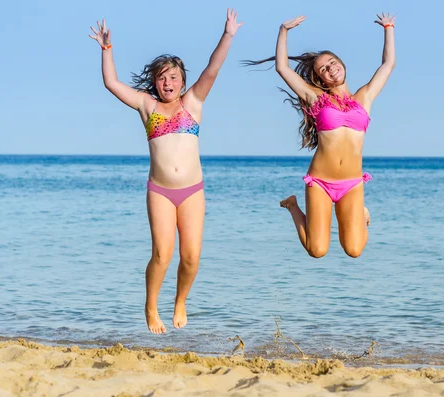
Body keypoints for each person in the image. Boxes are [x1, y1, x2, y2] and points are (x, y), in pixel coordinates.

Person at [88, 9, 243, 334]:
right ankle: (150, 305)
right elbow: (111, 83)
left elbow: (213, 68)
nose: (167, 82)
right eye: (161, 77)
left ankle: (181, 301)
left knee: (190, 257)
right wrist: (107, 51)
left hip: (192, 191)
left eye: (173, 77)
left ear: (183, 82)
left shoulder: (194, 102)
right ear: (155, 82)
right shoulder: (147, 105)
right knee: (161, 254)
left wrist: (228, 35)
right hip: (160, 190)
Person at [243, 13, 396, 258]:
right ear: (320, 78)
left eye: (333, 62)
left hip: (352, 183)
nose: (331, 69)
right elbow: (282, 67)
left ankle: (362, 214)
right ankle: (292, 205)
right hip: (321, 182)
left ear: (342, 64)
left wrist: (388, 28)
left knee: (354, 250)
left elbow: (387, 65)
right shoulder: (317, 99)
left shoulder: (364, 97)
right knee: (317, 250)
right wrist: (284, 30)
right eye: (323, 68)